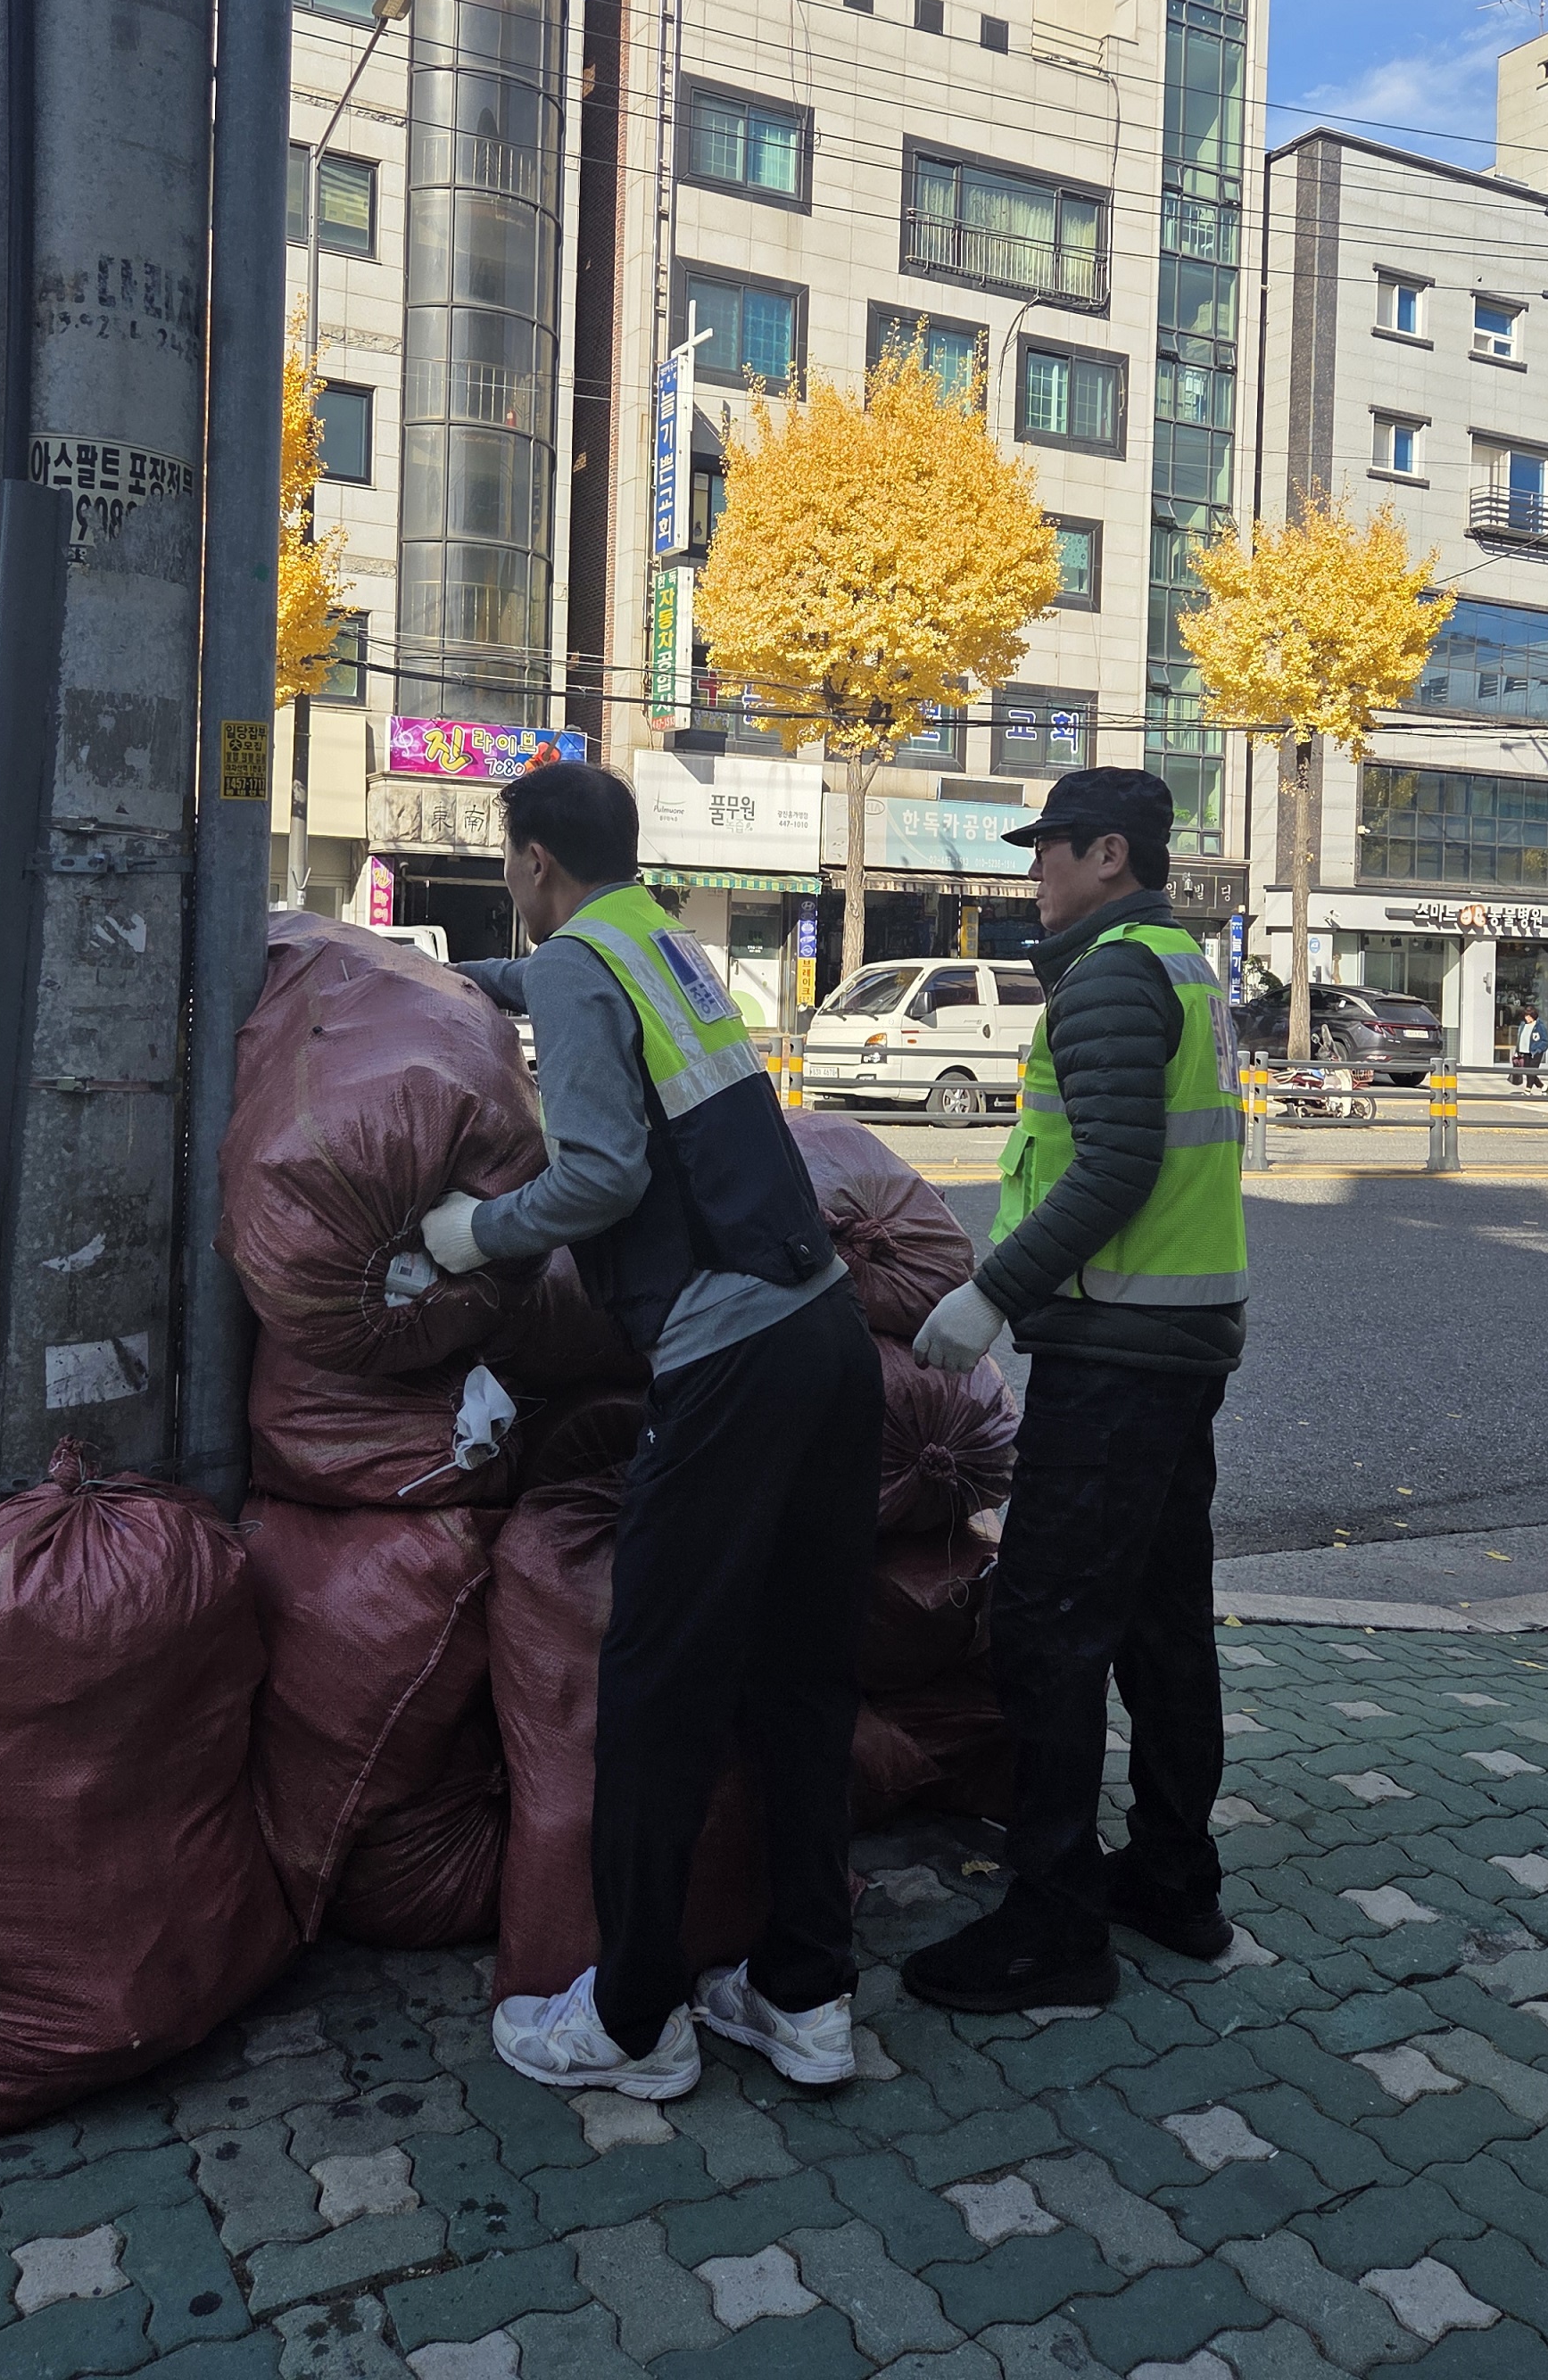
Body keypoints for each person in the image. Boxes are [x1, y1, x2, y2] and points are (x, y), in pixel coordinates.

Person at [422, 762, 882, 2101]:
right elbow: (560, 992)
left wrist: (475, 1232)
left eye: (511, 863)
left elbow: (603, 1173)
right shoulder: (661, 943)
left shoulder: (580, 961)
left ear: (533, 864)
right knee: (802, 1677)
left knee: (655, 1682)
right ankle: (806, 1993)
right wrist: (458, 980)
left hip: (729, 1358)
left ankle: (631, 2019)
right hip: (828, 1337)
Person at [898, 768, 1247, 2015]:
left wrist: (992, 1292)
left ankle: (1053, 1927)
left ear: (1111, 854)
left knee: (1047, 1627)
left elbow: (1114, 1168)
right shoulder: (1180, 963)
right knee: (1161, 1622)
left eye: (1049, 847)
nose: (1033, 869)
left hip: (1116, 1351)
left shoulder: (1108, 973)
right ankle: (1173, 1880)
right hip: (1180, 1341)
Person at [1509, 1004, 1545, 1093]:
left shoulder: (1539, 1026)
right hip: (1524, 1052)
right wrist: (1518, 1050)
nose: (1527, 1018)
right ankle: (1543, 1086)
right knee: (1527, 1071)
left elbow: (1545, 1040)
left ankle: (1528, 1090)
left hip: (1534, 1053)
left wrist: (1538, 1050)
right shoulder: (1523, 1025)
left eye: (1529, 1016)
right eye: (1526, 1016)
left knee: (1531, 1071)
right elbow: (1520, 1038)